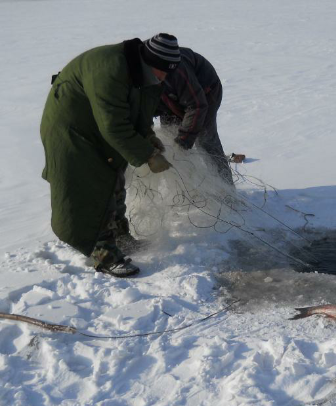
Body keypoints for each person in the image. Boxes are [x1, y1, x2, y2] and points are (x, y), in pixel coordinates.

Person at [40, 33, 180, 277]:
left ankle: (120, 236)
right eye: (162, 72)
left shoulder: (142, 72)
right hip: (72, 130)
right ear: (150, 63)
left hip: (98, 125)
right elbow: (114, 126)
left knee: (115, 176)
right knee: (95, 189)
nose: (163, 78)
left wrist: (148, 137)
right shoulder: (111, 69)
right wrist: (148, 154)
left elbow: (137, 113)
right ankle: (104, 256)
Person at [155, 46, 243, 185]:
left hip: (205, 95)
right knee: (169, 141)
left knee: (205, 140)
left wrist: (184, 140)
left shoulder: (176, 71)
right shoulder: (141, 74)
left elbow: (197, 106)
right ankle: (182, 189)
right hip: (169, 100)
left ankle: (226, 192)